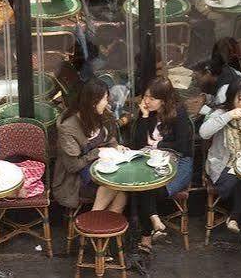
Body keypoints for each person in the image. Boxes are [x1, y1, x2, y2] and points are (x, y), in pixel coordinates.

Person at [122, 77, 195, 253]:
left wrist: (157, 145)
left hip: (179, 161)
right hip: (151, 160)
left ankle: (146, 237)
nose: (146, 101)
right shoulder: (148, 112)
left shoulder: (179, 114)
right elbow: (138, 143)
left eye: (152, 98)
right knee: (143, 185)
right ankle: (153, 220)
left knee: (146, 189)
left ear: (164, 100)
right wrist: (145, 116)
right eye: (145, 96)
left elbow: (183, 146)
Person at [200, 72, 241, 256]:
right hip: (222, 167)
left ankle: (235, 217)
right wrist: (229, 115)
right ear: (232, 98)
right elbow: (204, 133)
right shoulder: (221, 113)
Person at [55, 80, 125, 218]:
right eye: (105, 99)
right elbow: (72, 166)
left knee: (123, 192)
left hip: (102, 169)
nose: (107, 103)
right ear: (93, 102)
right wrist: (98, 152)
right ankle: (93, 220)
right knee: (113, 185)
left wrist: (117, 148)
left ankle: (100, 231)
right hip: (75, 180)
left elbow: (110, 140)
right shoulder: (68, 128)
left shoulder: (102, 115)